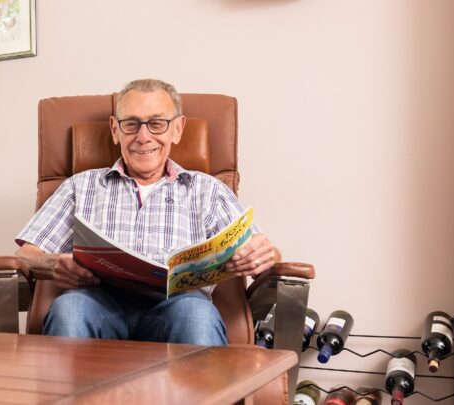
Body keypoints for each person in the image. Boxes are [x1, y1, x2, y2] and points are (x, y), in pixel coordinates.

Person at [15, 78, 278, 346]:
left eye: (156, 124)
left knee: (196, 315)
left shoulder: (208, 190)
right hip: (96, 301)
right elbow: (26, 255)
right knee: (69, 310)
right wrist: (53, 263)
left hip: (179, 304)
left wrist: (260, 254)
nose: (143, 137)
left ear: (177, 129)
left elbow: (264, 253)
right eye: (131, 124)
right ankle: (72, 391)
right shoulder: (80, 186)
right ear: (115, 130)